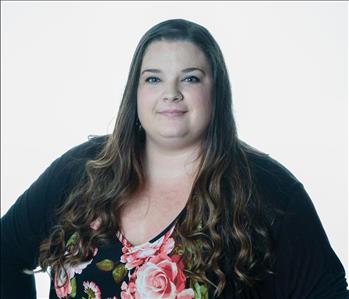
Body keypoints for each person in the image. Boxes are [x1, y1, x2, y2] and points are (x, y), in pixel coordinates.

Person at [1, 18, 348, 299]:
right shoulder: (81, 172)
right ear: (135, 92)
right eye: (154, 78)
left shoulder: (269, 191)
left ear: (217, 91)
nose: (171, 93)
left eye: (191, 78)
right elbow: (5, 252)